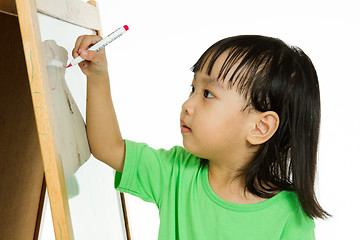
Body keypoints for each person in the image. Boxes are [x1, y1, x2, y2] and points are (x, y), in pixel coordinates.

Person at [72, 34, 329, 239]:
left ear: (260, 128)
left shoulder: (290, 217)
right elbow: (108, 147)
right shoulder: (176, 172)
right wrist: (97, 77)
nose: (187, 104)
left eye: (208, 94)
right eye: (193, 88)